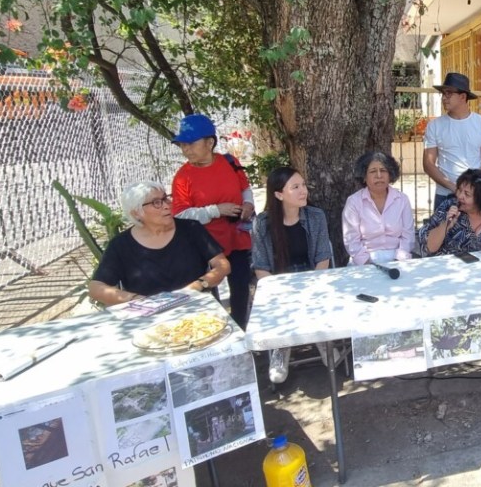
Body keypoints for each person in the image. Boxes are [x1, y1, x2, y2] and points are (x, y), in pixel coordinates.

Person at [171, 114, 255, 330]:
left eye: (191, 143)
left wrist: (248, 204)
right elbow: (180, 215)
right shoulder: (183, 177)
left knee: (241, 288)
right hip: (205, 246)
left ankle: (242, 329)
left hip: (236, 238)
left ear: (210, 142)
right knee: (209, 295)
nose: (186, 149)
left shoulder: (229, 162)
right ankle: (215, 332)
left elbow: (244, 188)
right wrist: (216, 210)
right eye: (182, 145)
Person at [251, 166, 333, 384]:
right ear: (279, 194)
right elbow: (260, 267)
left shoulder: (315, 216)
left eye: (303, 185)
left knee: (316, 297)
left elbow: (323, 258)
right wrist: (280, 292)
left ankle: (322, 339)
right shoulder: (262, 224)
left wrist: (311, 287)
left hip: (311, 276)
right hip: (278, 280)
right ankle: (281, 346)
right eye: (295, 187)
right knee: (276, 303)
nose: (303, 191)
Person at [89, 181, 230, 306]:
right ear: (136, 213)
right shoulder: (120, 245)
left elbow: (223, 266)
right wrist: (138, 300)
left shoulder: (191, 229)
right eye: (156, 202)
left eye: (165, 198)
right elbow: (96, 287)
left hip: (197, 306)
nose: (167, 206)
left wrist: (199, 285)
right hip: (150, 315)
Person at [423, 72, 481, 211]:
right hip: (445, 194)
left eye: (449, 93)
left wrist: (472, 188)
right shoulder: (434, 126)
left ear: (463, 97)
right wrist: (454, 188)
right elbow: (428, 164)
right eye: (443, 93)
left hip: (475, 195)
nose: (444, 98)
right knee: (442, 226)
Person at [342, 151, 415, 265]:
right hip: (364, 262)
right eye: (373, 171)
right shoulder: (353, 202)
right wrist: (367, 264)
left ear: (390, 174)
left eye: (383, 170)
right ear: (364, 177)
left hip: (398, 259)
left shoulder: (402, 200)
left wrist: (398, 261)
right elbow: (351, 240)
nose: (379, 175)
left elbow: (408, 236)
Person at [418, 169, 481, 256]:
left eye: (467, 194)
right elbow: (428, 248)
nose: (460, 196)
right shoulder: (448, 207)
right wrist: (446, 225)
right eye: (459, 190)